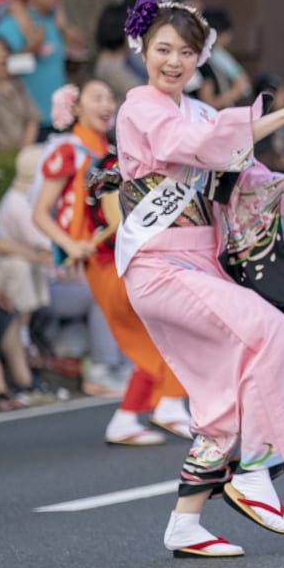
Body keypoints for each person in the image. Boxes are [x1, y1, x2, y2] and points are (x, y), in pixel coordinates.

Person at [113, 0, 284, 558]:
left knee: (222, 398)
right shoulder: (140, 109)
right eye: (163, 49)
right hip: (158, 265)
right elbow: (196, 149)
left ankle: (185, 525)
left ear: (201, 58)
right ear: (142, 50)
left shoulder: (194, 112)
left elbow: (242, 180)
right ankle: (257, 467)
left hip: (197, 262)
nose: (173, 61)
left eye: (186, 52)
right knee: (273, 334)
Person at [32, 80, 194, 445]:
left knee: (159, 332)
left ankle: (132, 416)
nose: (107, 105)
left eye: (110, 98)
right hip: (102, 261)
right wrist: (71, 243)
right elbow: (40, 213)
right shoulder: (69, 152)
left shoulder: (108, 152)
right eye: (97, 98)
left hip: (121, 254)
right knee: (160, 331)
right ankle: (165, 405)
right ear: (75, 108)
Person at [0, 0, 71, 134]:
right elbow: (4, 68)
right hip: (30, 125)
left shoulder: (52, 20)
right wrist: (33, 49)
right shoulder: (10, 25)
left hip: (60, 120)